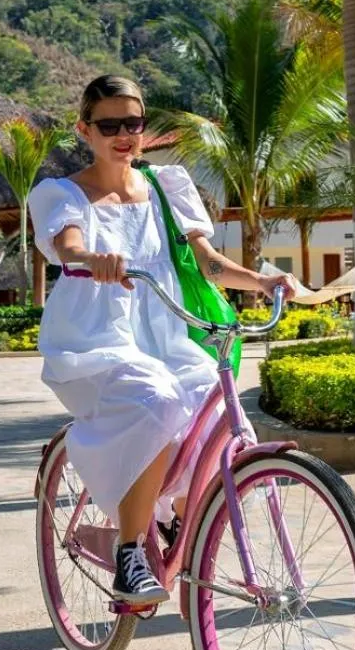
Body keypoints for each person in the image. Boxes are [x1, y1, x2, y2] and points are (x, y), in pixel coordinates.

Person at [28, 74, 298, 607]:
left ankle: (172, 516)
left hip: (168, 332)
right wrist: (90, 260)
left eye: (134, 123)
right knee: (155, 398)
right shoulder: (61, 192)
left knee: (214, 404)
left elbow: (208, 263)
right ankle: (131, 552)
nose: (125, 134)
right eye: (110, 125)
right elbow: (68, 244)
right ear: (85, 129)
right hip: (96, 337)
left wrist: (263, 281)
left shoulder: (166, 187)